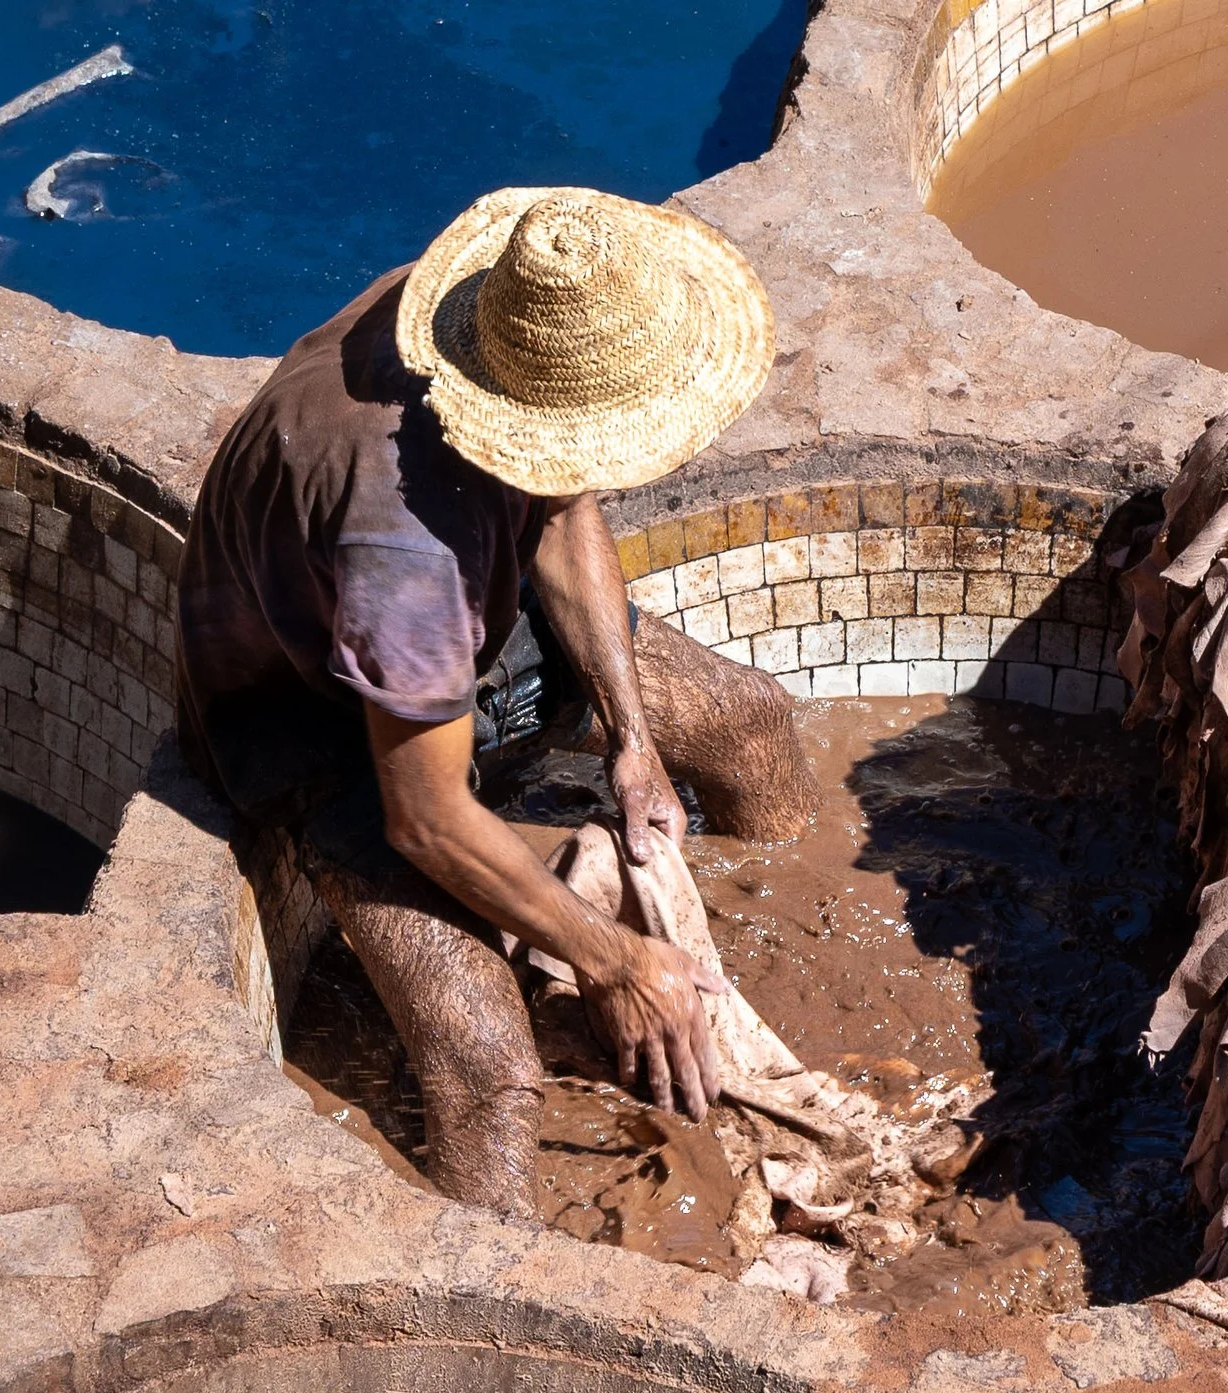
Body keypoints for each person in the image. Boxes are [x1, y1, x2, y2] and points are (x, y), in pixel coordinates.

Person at [175, 187, 817, 1220]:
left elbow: (563, 502)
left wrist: (631, 736)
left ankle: (774, 961)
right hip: (326, 721)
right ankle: (497, 1272)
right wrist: (611, 960)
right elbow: (423, 816)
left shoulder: (478, 323)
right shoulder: (404, 554)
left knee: (746, 720)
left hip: (462, 624)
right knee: (488, 1072)